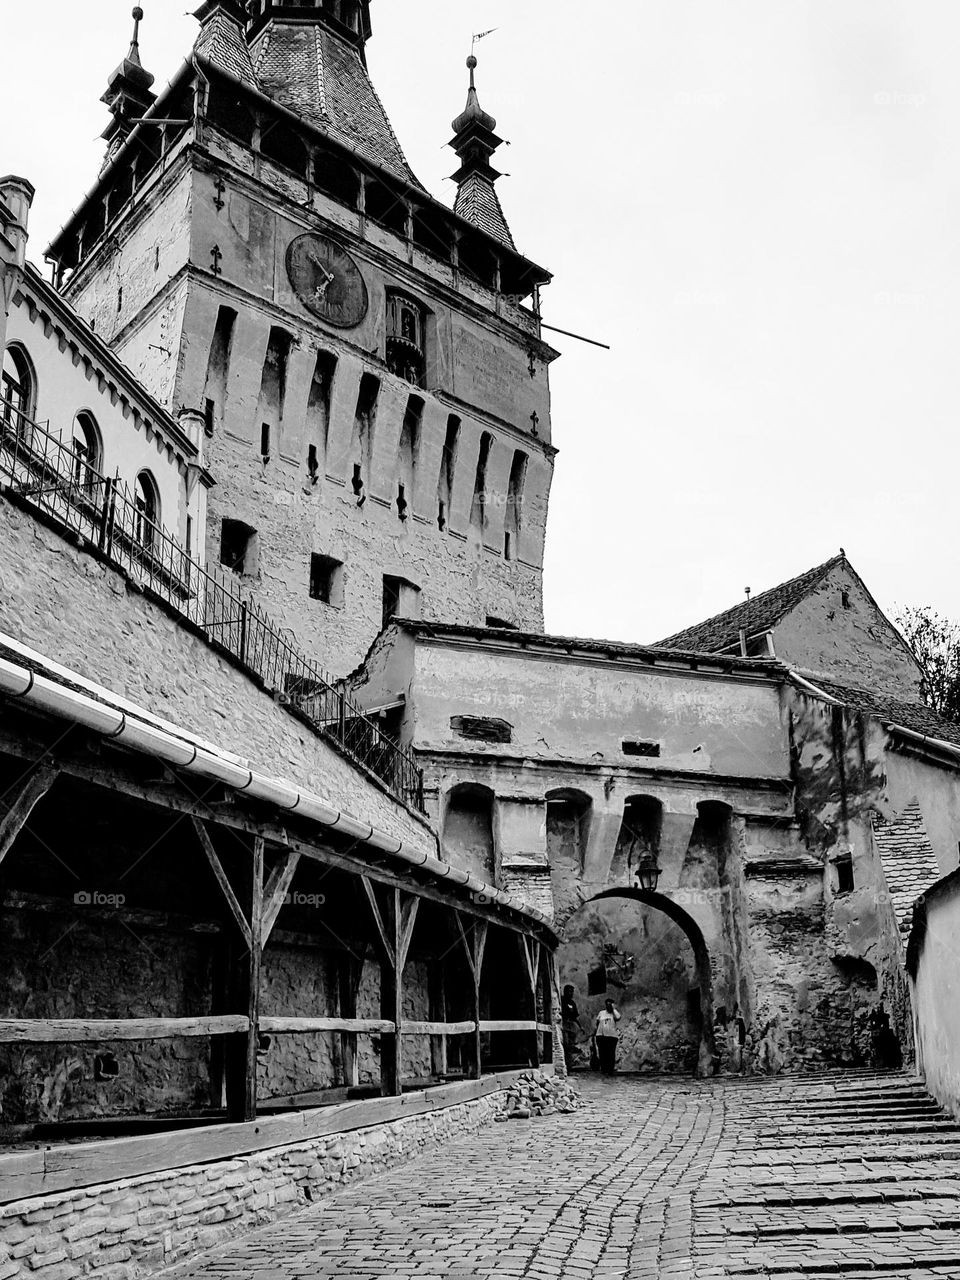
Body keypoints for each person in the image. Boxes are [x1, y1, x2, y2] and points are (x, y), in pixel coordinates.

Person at [594, 998, 622, 1075]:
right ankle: (604, 1069)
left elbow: (618, 1017)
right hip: (601, 1035)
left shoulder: (614, 1013)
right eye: (607, 1004)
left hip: (611, 1036)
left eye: (610, 1004)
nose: (608, 1006)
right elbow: (597, 1022)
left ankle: (610, 1070)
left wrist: (613, 1009)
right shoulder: (601, 1013)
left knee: (611, 1053)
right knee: (602, 1053)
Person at [560, 984, 579, 1073]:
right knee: (565, 1045)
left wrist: (580, 1026)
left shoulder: (572, 1003)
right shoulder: (561, 1001)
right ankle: (564, 1065)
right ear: (565, 991)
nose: (571, 993)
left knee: (571, 1047)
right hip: (564, 1024)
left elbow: (575, 1016)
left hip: (571, 1025)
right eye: (570, 991)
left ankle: (569, 1066)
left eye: (572, 991)